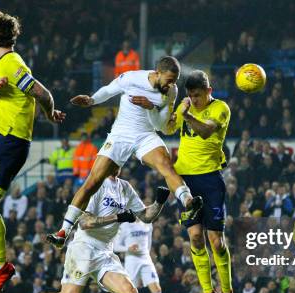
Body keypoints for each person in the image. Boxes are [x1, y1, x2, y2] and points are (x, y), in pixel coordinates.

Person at [0, 170, 170, 293]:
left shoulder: (125, 187)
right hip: (84, 247)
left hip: (105, 252)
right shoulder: (95, 183)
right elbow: (85, 222)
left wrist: (159, 202)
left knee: (129, 291)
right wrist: (118, 217)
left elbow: (146, 216)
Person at [47, 56, 202, 248]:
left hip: (145, 135)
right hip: (120, 135)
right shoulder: (131, 78)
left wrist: (151, 107)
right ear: (158, 73)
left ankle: (188, 201)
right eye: (170, 79)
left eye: (175, 80)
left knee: (165, 165)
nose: (172, 84)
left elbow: (160, 125)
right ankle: (63, 232)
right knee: (93, 182)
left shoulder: (171, 91)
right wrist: (92, 99)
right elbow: (110, 90)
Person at [0, 10, 65, 293]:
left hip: (8, 141)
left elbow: (41, 92)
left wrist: (50, 113)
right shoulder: (1, 66)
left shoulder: (12, 64)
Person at [164, 70, 233, 293]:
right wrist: (169, 108)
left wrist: (186, 113)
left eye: (198, 95)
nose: (194, 100)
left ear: (209, 91)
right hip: (185, 181)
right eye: (190, 96)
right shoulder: (185, 107)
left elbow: (206, 131)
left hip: (211, 179)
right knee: (194, 238)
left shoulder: (220, 108)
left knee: (217, 242)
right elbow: (168, 127)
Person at [115, 220, 177, 293]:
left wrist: (147, 256)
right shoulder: (125, 225)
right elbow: (116, 246)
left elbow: (148, 244)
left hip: (146, 260)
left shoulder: (148, 224)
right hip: (132, 261)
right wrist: (127, 248)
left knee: (157, 289)